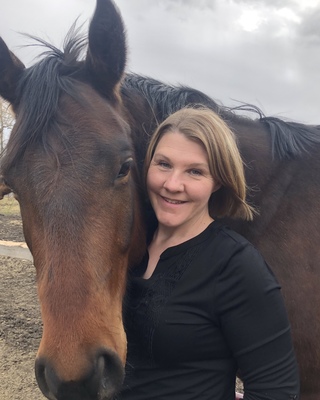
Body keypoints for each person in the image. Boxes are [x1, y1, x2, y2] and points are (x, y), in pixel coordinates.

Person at [120, 107, 300, 400]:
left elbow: (276, 391)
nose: (173, 184)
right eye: (163, 164)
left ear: (217, 180)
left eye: (195, 171)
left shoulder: (235, 266)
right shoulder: (126, 245)